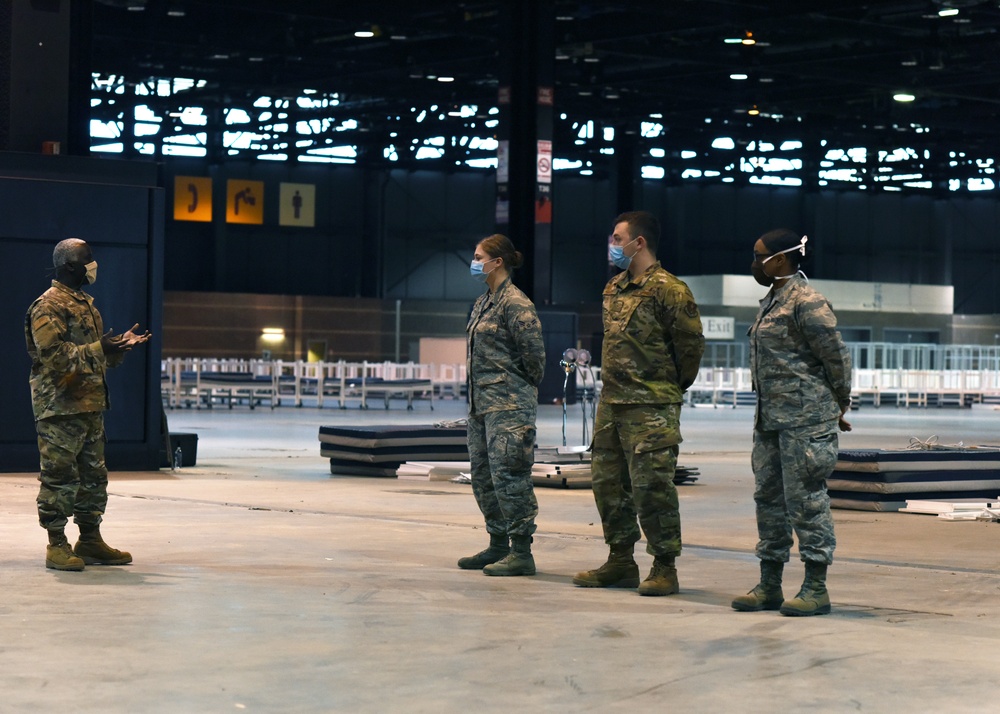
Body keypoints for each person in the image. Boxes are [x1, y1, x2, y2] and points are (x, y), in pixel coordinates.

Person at [573, 211, 704, 595]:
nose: (612, 245)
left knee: (652, 489)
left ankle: (664, 566)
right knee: (608, 485)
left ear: (639, 242)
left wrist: (666, 388)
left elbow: (691, 348)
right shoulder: (613, 288)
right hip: (612, 404)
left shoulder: (670, 289)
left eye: (617, 238)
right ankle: (620, 561)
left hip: (651, 406)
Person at [732, 229, 852, 616]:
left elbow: (836, 356)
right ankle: (769, 584)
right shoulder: (771, 302)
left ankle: (816, 587)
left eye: (759, 255)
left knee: (806, 501)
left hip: (805, 420)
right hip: (770, 419)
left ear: (780, 259)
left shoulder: (807, 301)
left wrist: (841, 402)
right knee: (768, 500)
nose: (755, 262)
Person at [25, 238, 151, 571]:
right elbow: (54, 358)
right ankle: (56, 545)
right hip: (60, 408)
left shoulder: (86, 304)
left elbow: (93, 357)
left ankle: (90, 540)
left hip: (90, 404)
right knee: (59, 477)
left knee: (93, 478)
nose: (92, 264)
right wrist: (100, 348)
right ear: (69, 265)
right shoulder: (47, 306)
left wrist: (117, 348)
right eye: (87, 259)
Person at [459, 233, 545, 576]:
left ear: (498, 262)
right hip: (481, 407)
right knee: (484, 477)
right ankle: (498, 544)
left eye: (479, 256)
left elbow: (535, 358)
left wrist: (515, 393)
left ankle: (522, 552)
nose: (475, 262)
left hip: (509, 407)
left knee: (511, 477)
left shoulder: (515, 303)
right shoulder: (484, 302)